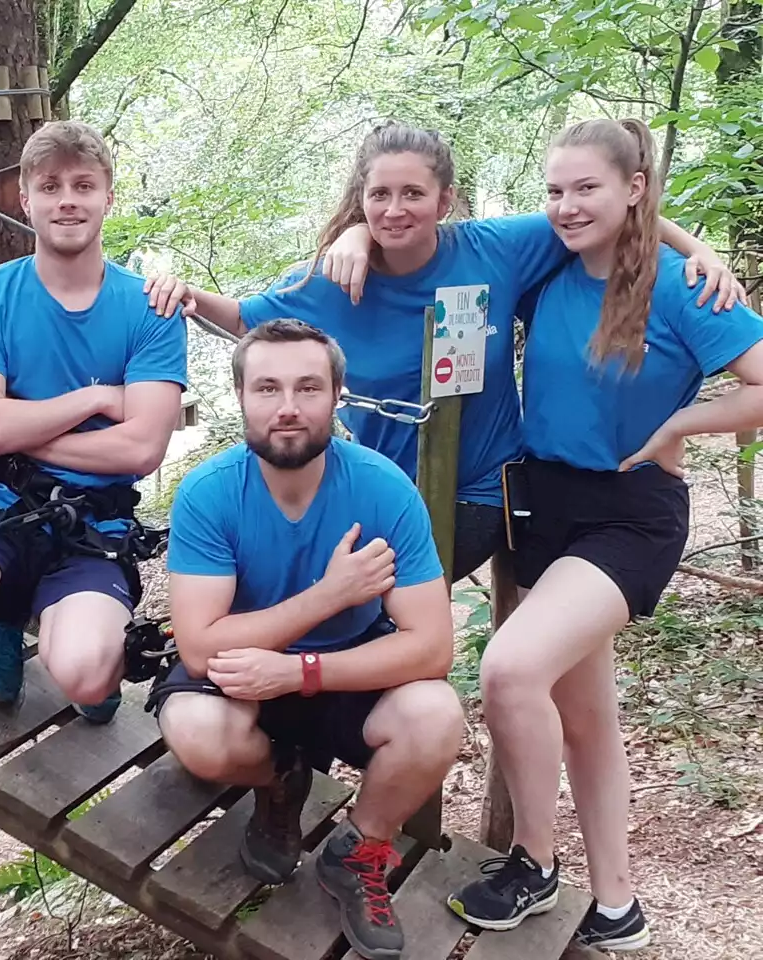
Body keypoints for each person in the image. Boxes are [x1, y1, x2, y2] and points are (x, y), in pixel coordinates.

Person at [145, 121, 744, 581]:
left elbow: (606, 212)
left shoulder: (496, 250)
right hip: (376, 486)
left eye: (413, 192)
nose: (395, 209)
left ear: (446, 199)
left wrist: (703, 252)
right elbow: (242, 319)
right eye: (379, 195)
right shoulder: (330, 281)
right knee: (305, 592)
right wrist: (183, 294)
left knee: (375, 609)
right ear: (361, 199)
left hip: (481, 489)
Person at [445, 119, 763, 952]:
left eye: (586, 187)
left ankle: (533, 864)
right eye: (554, 190)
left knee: (510, 669)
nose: (566, 205)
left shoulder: (684, 286)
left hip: (630, 513)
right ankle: (618, 905)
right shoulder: (549, 264)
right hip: (541, 505)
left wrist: (679, 430)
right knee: (585, 715)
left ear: (632, 188)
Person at [150, 319, 463, 960]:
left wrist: (300, 672)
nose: (287, 407)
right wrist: (328, 595)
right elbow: (201, 650)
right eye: (267, 388)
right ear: (240, 397)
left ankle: (357, 850)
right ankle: (280, 781)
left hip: (343, 666)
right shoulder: (209, 494)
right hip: (239, 674)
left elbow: (432, 647)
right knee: (197, 734)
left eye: (307, 388)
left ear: (337, 397)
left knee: (436, 715)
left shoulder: (383, 490)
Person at [0, 120, 187, 722]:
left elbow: (140, 450)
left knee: (83, 675)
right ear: (26, 198)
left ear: (109, 195)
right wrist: (97, 399)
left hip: (96, 518)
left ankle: (82, 644)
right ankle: (2, 616)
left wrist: (20, 430)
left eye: (84, 185)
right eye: (50, 186)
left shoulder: (150, 308)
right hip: (1, 496)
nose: (68, 200)